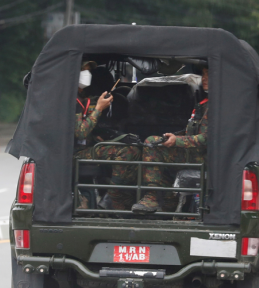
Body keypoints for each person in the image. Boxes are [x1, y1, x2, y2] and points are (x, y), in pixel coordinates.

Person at [132, 65, 209, 213]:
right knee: (156, 143)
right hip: (195, 153)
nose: (204, 78)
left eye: (208, 75)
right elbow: (194, 131)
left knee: (151, 144)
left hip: (203, 157)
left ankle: (151, 197)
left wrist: (177, 141)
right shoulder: (205, 104)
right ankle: (168, 203)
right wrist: (174, 137)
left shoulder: (218, 106)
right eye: (203, 74)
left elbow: (206, 139)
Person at [73, 61, 142, 210]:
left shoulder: (80, 98)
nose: (86, 75)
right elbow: (80, 132)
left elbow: (83, 133)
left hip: (82, 148)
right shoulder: (72, 99)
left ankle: (114, 198)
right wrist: (98, 108)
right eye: (83, 71)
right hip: (73, 154)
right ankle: (113, 199)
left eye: (88, 71)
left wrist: (97, 136)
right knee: (127, 152)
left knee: (131, 148)